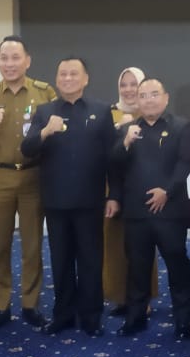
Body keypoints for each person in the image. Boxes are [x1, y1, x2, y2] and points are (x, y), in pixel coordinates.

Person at [22, 57, 119, 336]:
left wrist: (114, 195)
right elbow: (26, 149)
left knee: (91, 260)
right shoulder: (44, 111)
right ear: (56, 79)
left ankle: (91, 317)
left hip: (90, 199)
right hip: (56, 200)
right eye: (62, 74)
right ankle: (63, 314)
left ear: (85, 79)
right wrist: (44, 132)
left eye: (73, 74)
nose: (67, 78)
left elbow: (113, 157)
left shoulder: (101, 111)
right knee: (61, 260)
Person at [0, 36, 55, 329]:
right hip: (0, 176)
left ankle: (31, 304)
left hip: (34, 175)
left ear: (27, 61)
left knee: (32, 245)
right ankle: (0, 305)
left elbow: (56, 133)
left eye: (15, 57)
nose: (9, 64)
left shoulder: (44, 92)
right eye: (4, 58)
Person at [110, 76, 190, 338]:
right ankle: (135, 318)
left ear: (166, 98)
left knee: (177, 265)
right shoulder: (128, 129)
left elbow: (185, 163)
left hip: (170, 211)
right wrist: (125, 143)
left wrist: (167, 191)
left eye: (154, 94)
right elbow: (114, 164)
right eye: (143, 95)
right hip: (136, 212)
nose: (148, 100)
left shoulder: (181, 126)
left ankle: (184, 320)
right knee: (137, 267)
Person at [102, 66, 155, 318]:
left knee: (142, 245)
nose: (128, 89)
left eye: (134, 84)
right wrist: (118, 129)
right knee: (114, 243)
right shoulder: (110, 114)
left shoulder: (150, 112)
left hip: (142, 188)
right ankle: (121, 297)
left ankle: (143, 298)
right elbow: (103, 150)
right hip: (112, 187)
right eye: (124, 85)